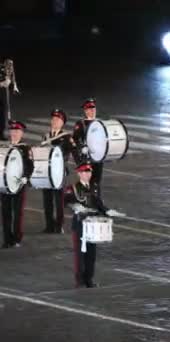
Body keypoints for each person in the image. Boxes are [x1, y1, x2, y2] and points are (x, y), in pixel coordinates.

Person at [65, 160, 124, 288]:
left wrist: (108, 211)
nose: (88, 174)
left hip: (93, 224)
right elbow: (67, 202)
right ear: (79, 173)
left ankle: (89, 280)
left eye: (89, 171)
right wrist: (76, 206)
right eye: (85, 172)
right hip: (81, 224)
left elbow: (99, 204)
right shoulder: (73, 188)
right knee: (80, 255)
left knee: (91, 255)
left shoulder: (94, 187)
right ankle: (79, 281)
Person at [41, 109, 74, 234]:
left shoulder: (66, 137)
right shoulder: (46, 136)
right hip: (46, 172)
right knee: (47, 200)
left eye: (57, 120)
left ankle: (59, 225)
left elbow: (68, 153)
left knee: (59, 200)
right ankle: (49, 225)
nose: (54, 121)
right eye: (53, 119)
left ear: (62, 123)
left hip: (59, 172)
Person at [1, 121, 33, 248]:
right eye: (12, 131)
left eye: (17, 131)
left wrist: (26, 176)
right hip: (4, 184)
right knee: (5, 212)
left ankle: (17, 238)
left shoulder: (25, 148)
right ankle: (7, 239)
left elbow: (30, 165)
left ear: (21, 133)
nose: (14, 133)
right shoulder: (4, 148)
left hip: (19, 184)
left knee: (17, 212)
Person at [73, 98, 103, 188]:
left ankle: (96, 200)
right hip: (86, 159)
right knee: (86, 183)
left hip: (98, 158)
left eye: (94, 108)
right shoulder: (81, 124)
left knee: (96, 183)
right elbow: (74, 140)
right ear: (85, 111)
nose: (92, 111)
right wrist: (79, 156)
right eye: (90, 109)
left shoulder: (100, 123)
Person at [0, 59, 19, 140]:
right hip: (1, 86)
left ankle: (1, 132)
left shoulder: (8, 65)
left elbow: (11, 74)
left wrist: (14, 85)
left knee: (3, 110)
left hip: (4, 90)